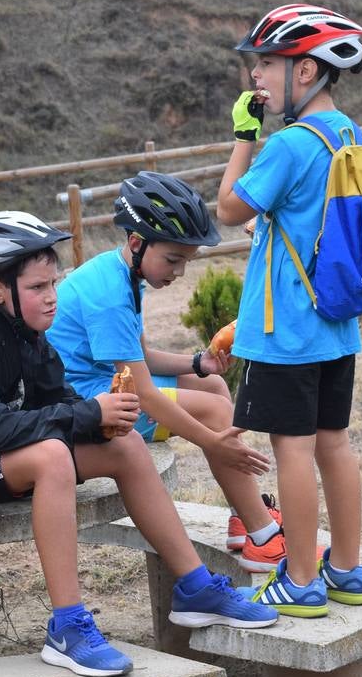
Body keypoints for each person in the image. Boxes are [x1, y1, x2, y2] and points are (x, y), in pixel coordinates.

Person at [0, 211, 277, 677]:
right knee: (53, 455)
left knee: (125, 446)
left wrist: (102, 421)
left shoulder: (22, 330)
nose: (52, 297)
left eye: (53, 283)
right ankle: (67, 627)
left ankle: (195, 587)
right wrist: (85, 414)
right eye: (38, 287)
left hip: (1, 457)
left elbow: (55, 396)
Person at [214, 3, 362, 617]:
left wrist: (242, 139)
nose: (255, 76)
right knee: (334, 443)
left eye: (267, 64)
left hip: (287, 330)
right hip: (337, 323)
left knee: (293, 452)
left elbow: (230, 209)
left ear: (305, 71)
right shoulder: (348, 133)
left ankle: (302, 579)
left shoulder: (287, 145)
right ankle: (347, 569)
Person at [46, 171, 287, 575]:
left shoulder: (123, 275)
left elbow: (140, 358)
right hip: (87, 405)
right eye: (173, 259)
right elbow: (142, 393)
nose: (178, 272)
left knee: (210, 383)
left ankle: (241, 514)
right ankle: (263, 540)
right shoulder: (108, 297)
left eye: (185, 262)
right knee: (214, 414)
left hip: (108, 385)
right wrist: (216, 441)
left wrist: (199, 363)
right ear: (138, 243)